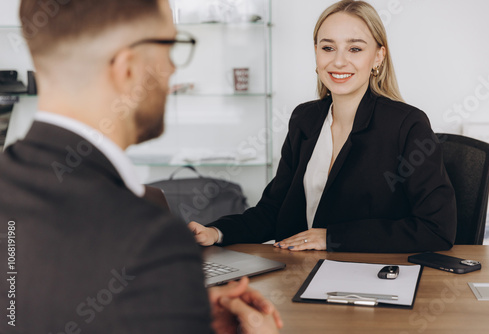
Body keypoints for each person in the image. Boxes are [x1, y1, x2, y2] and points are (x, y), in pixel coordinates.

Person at [0, 0, 281, 333]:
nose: (174, 70)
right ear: (128, 67)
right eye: (169, 47)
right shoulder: (153, 243)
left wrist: (164, 308)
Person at [189, 0, 457, 253]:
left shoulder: (407, 125)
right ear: (316, 53)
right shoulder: (305, 119)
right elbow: (273, 210)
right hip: (300, 272)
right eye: (328, 48)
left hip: (373, 279)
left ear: (378, 57)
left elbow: (436, 229)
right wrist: (217, 231)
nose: (338, 61)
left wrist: (331, 238)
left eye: (355, 48)